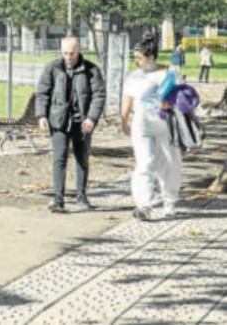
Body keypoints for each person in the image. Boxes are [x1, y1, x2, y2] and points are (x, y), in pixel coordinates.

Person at [36, 37, 107, 213]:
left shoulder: (91, 70)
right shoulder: (53, 68)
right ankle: (58, 199)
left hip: (82, 122)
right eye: (66, 53)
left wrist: (91, 118)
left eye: (72, 53)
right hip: (59, 121)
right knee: (59, 158)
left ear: (79, 51)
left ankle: (82, 196)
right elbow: (43, 93)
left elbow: (99, 95)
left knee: (82, 159)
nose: (69, 57)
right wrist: (42, 115)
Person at [121, 32, 182, 220]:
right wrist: (123, 120)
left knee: (169, 163)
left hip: (166, 124)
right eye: (134, 58)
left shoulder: (171, 74)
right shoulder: (134, 77)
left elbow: (183, 100)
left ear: (150, 58)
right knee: (144, 162)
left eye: (139, 58)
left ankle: (169, 202)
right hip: (142, 124)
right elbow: (127, 99)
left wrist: (171, 104)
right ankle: (144, 204)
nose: (136, 62)